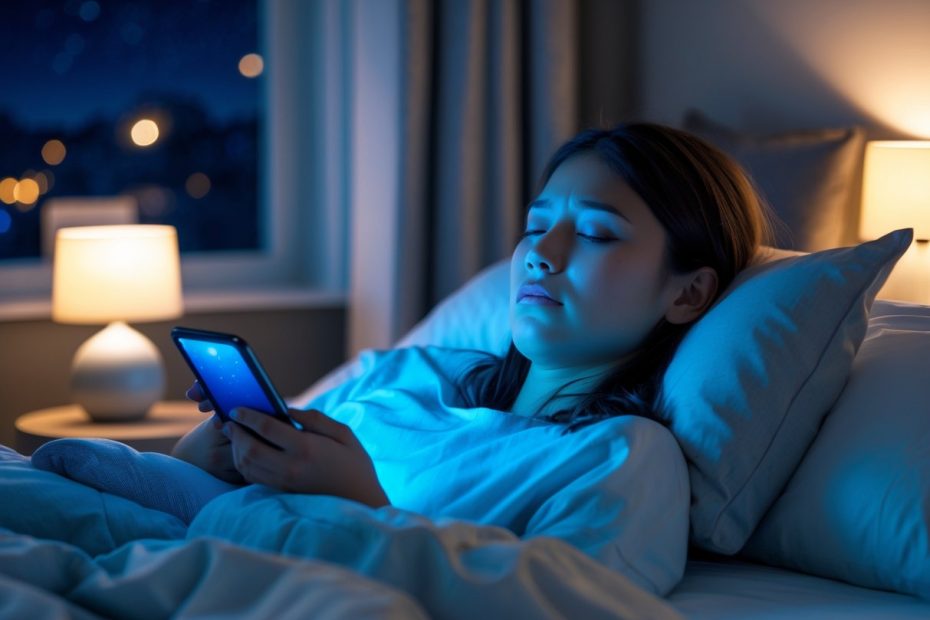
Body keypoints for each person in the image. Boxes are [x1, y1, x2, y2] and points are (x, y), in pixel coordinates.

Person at [171, 121, 773, 506]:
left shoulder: (616, 458)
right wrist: (205, 460)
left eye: (595, 233)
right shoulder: (415, 373)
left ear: (688, 294)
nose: (541, 253)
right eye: (536, 226)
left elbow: (542, 597)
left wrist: (362, 505)